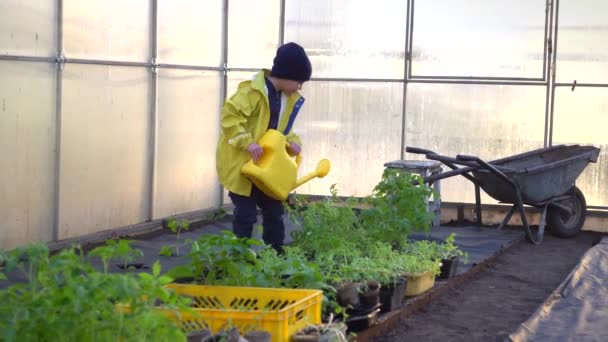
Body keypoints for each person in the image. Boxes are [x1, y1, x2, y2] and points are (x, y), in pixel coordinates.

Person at [216, 42, 312, 253]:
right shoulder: (252, 93)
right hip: (242, 165)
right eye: (299, 81)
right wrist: (248, 143)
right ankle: (239, 259)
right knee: (246, 214)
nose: (299, 87)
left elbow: (285, 131)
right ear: (287, 75)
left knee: (274, 210)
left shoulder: (287, 99)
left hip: (267, 168)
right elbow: (230, 118)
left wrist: (294, 144)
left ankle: (275, 255)